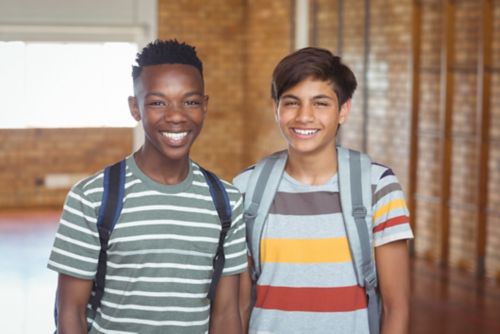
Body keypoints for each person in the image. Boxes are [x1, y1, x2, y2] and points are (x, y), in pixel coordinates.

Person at [48, 39, 247, 334]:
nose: (176, 115)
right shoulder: (92, 198)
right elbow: (70, 314)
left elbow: (227, 313)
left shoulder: (227, 201)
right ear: (135, 108)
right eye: (157, 102)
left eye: (190, 101)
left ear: (204, 106)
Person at [233, 47, 414, 334]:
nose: (304, 116)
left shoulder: (378, 186)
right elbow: (238, 307)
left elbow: (396, 307)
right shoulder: (246, 189)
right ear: (276, 109)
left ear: (343, 110)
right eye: (291, 102)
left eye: (320, 103)